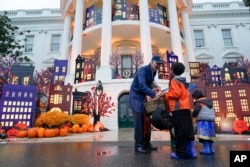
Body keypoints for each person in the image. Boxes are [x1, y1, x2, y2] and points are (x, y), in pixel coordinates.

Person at [160, 62, 196, 159]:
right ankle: (190, 152)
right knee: (187, 131)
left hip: (178, 108)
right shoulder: (183, 81)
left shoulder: (174, 80)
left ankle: (180, 153)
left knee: (179, 131)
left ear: (172, 71)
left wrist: (165, 95)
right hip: (186, 108)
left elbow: (176, 93)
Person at [129, 55, 163, 154]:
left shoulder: (154, 72)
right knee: (139, 122)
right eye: (157, 63)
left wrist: (153, 89)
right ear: (152, 61)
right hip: (135, 98)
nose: (159, 66)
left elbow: (146, 86)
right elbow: (142, 85)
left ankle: (146, 143)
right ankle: (138, 145)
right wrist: (153, 94)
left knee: (147, 122)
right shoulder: (142, 71)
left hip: (142, 98)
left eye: (160, 64)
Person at [192, 89, 216, 154]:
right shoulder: (209, 101)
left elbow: (196, 110)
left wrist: (193, 115)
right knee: (210, 136)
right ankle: (211, 149)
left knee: (204, 135)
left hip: (203, 120)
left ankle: (206, 149)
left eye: (194, 97)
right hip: (211, 121)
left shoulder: (199, 102)